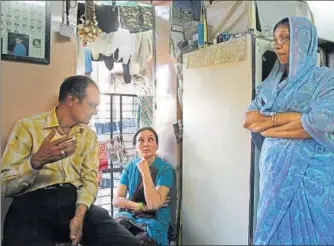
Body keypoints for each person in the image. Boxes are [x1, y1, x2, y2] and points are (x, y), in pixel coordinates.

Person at [1, 75, 140, 246]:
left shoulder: (88, 136)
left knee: (127, 243)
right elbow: (4, 186)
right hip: (32, 204)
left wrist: (80, 215)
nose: (95, 112)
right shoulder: (28, 127)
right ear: (72, 100)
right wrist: (35, 162)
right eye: (92, 105)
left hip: (73, 203)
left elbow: (90, 179)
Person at [243, 16, 334, 245]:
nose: (277, 45)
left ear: (304, 41)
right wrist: (295, 118)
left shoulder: (325, 80)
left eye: (285, 38)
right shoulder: (270, 85)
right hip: (274, 179)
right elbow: (249, 121)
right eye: (275, 39)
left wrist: (269, 123)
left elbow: (317, 124)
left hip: (310, 180)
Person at [113, 127, 174, 246]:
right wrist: (141, 206)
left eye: (150, 139)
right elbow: (116, 200)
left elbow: (154, 205)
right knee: (116, 230)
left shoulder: (165, 170)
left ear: (157, 145)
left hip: (154, 220)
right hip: (130, 215)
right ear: (136, 147)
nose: (146, 144)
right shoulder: (130, 167)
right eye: (141, 140)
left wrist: (145, 170)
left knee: (143, 240)